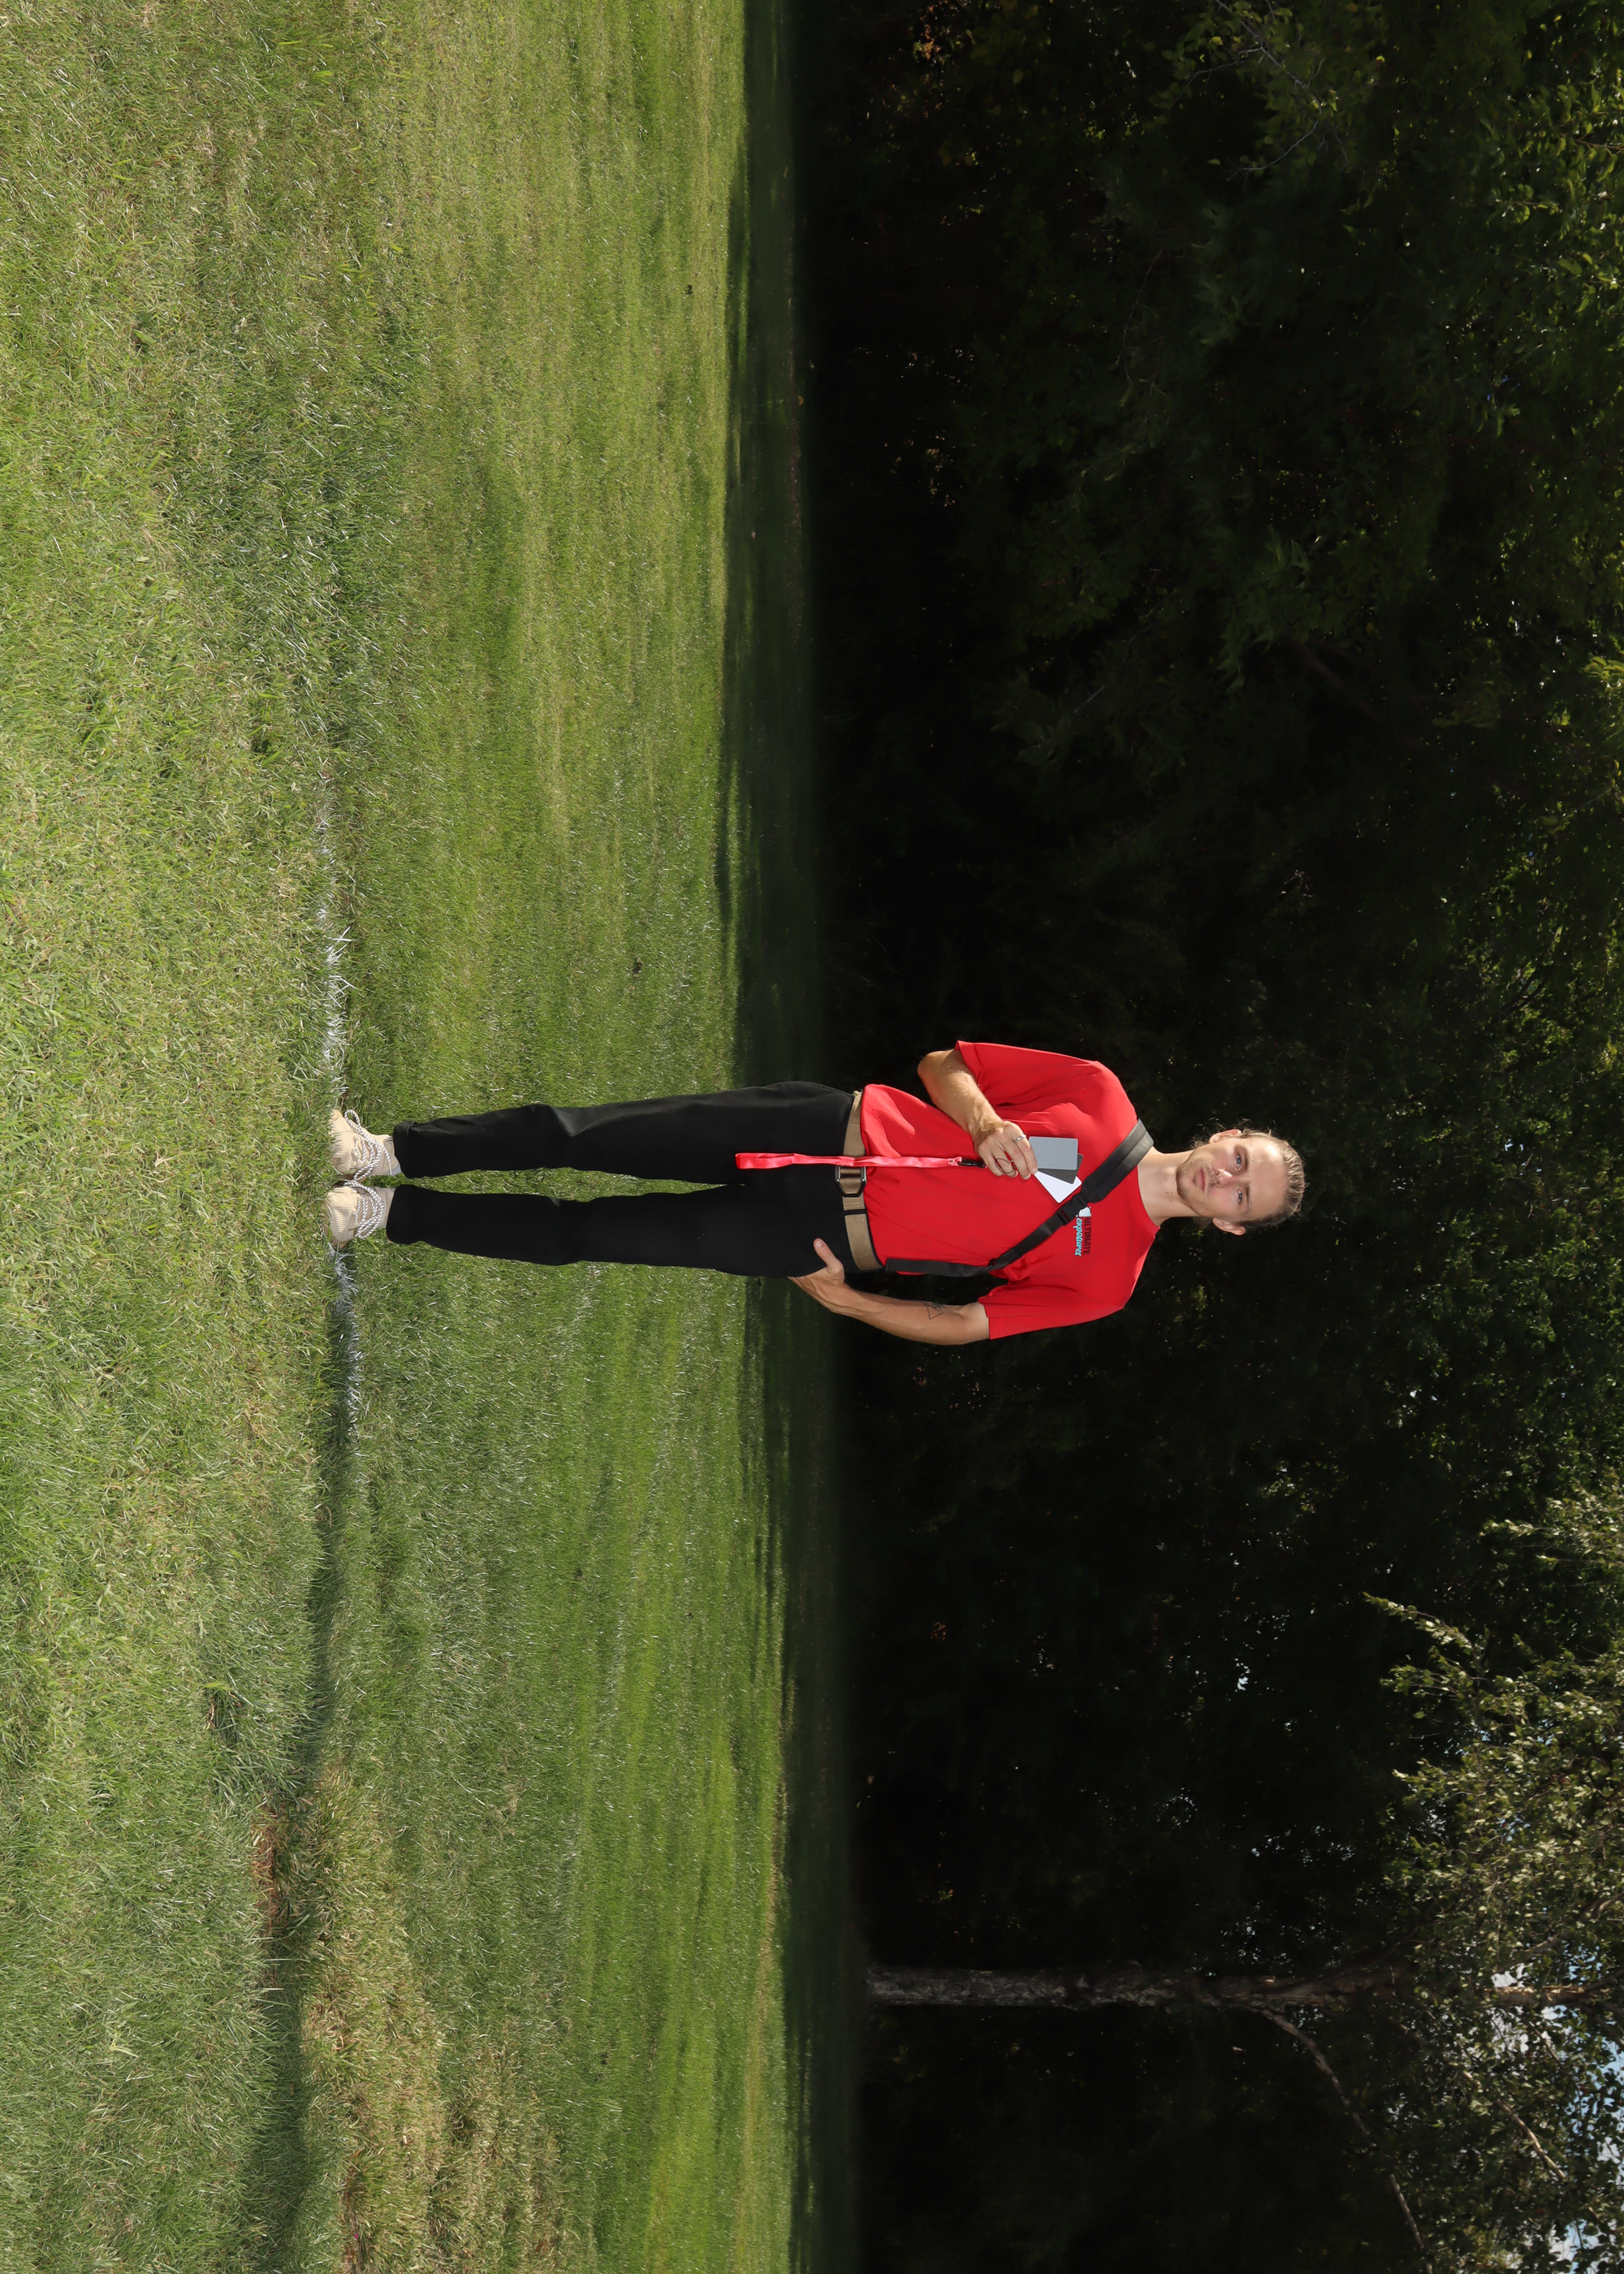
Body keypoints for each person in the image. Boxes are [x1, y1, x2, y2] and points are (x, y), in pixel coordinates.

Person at [322, 1042, 1306, 1347]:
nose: (1225, 1175)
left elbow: (967, 1322)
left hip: (818, 1235)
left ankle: (384, 1214)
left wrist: (850, 1302)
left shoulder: (1110, 1279)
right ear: (1225, 1132)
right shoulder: (1098, 1094)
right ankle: (384, 1150)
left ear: (1229, 1226)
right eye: (1239, 1156)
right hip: (817, 1127)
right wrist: (981, 1122)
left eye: (1242, 1195)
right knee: (581, 1134)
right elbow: (944, 1063)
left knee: (585, 1235)